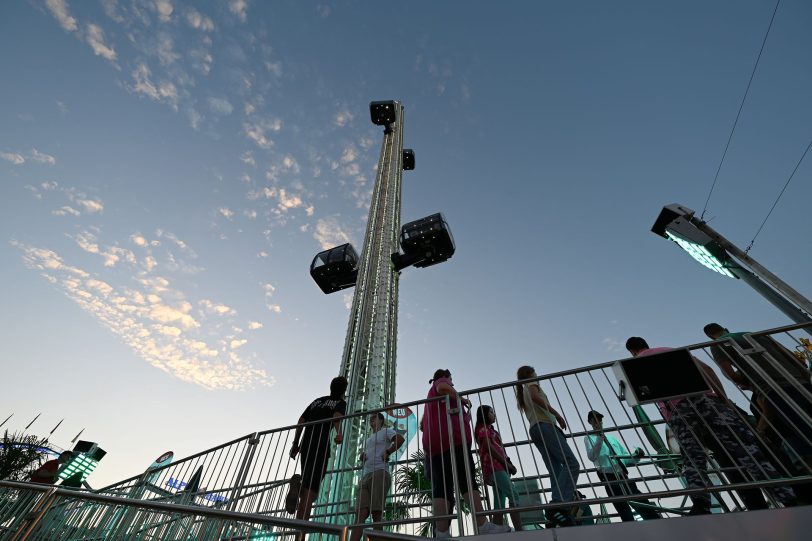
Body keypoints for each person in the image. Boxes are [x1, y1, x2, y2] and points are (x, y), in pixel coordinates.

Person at [625, 337, 796, 514]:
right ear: (646, 344)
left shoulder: (636, 363)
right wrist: (722, 398)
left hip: (679, 410)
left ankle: (701, 503)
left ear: (632, 351)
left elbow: (640, 394)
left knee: (693, 456)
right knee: (744, 448)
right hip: (708, 402)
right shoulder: (671, 349)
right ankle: (785, 494)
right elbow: (706, 369)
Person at [703, 323, 812, 472]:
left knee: (803, 430)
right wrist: (804, 377)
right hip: (801, 382)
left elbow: (729, 372)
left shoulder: (718, 344)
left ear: (709, 336)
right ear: (725, 328)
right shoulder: (754, 334)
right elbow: (793, 358)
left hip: (773, 389)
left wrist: (749, 383)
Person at [422, 369, 510, 537]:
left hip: (436, 447)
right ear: (446, 377)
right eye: (451, 379)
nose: (452, 383)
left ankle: (441, 531)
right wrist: (461, 399)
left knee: (442, 488)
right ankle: (483, 524)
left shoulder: (429, 398)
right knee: (467, 481)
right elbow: (443, 388)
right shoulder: (441, 382)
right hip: (453, 442)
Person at [515, 365, 580, 527]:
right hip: (545, 426)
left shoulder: (522, 391)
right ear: (530, 374)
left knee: (555, 470)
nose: (537, 375)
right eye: (535, 372)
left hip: (535, 429)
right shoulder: (531, 384)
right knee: (572, 463)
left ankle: (556, 515)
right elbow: (536, 397)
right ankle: (558, 505)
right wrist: (557, 414)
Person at [287, 376, 348, 522]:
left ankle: (298, 487)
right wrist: (339, 433)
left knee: (309, 486)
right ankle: (300, 533)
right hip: (320, 446)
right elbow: (337, 417)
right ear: (343, 391)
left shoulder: (317, 401)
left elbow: (301, 421)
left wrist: (295, 443)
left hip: (306, 446)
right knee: (311, 491)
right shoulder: (340, 402)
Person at [583, 410, 660, 522]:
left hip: (623, 475)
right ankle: (632, 532)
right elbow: (592, 456)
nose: (598, 422)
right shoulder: (588, 438)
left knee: (642, 502)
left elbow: (624, 457)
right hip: (609, 478)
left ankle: (656, 523)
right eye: (594, 420)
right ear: (590, 422)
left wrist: (636, 455)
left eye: (599, 419)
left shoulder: (612, 438)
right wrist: (600, 438)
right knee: (623, 510)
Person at [350, 412, 405, 541]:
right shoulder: (369, 438)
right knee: (360, 513)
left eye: (374, 418)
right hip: (366, 474)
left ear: (381, 420)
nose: (371, 421)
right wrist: (361, 456)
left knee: (376, 513)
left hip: (380, 472)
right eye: (370, 419)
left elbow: (400, 439)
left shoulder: (386, 431)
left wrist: (388, 451)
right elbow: (366, 453)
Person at [474, 405, 523, 531]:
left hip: (499, 466)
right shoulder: (483, 429)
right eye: (491, 412)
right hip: (494, 466)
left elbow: (499, 449)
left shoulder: (492, 430)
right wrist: (506, 464)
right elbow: (489, 447)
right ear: (484, 414)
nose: (494, 414)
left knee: (499, 503)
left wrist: (507, 463)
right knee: (514, 495)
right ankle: (519, 530)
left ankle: (497, 530)